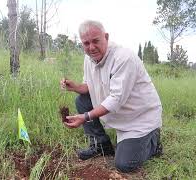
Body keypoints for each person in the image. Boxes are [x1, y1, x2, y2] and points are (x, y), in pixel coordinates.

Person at [60, 20, 163, 173]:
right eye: (86, 43)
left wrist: (85, 117)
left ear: (106, 37)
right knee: (81, 99)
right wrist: (75, 87)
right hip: (120, 114)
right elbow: (89, 86)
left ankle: (153, 142)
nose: (91, 47)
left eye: (95, 41)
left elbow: (115, 100)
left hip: (140, 119)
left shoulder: (123, 58)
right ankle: (101, 145)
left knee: (124, 164)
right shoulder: (89, 58)